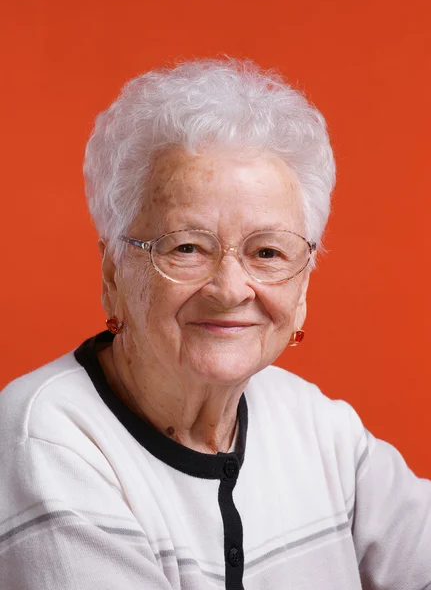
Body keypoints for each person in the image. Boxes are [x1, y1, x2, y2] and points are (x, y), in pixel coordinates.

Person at [0, 58, 430, 590]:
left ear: (303, 289)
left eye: (268, 252)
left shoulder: (319, 427)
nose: (229, 289)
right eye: (186, 247)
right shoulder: (48, 441)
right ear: (113, 273)